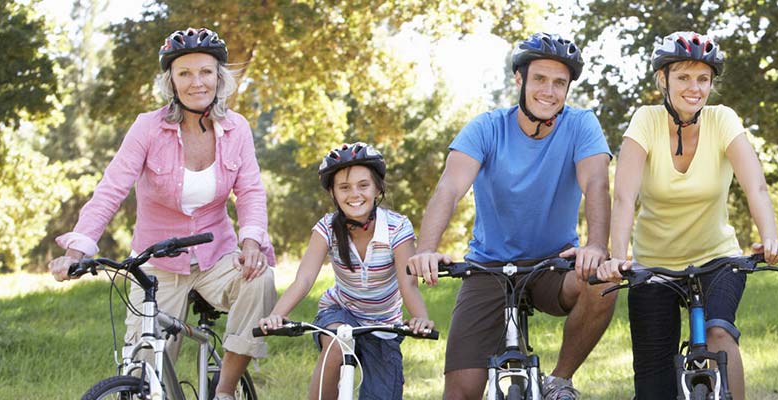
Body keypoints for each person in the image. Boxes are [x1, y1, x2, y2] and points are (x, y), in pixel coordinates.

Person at [48, 27, 276, 400]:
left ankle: (225, 389)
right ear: (170, 80)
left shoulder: (237, 129)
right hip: (157, 263)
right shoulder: (148, 128)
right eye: (184, 73)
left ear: (220, 77)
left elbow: (250, 191)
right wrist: (77, 251)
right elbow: (112, 189)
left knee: (259, 278)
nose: (196, 82)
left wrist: (251, 242)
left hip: (216, 255)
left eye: (205, 72)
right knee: (146, 368)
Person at [406, 32, 615, 400]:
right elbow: (450, 187)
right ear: (519, 80)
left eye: (559, 83)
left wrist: (596, 245)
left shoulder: (581, 124)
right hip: (489, 264)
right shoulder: (486, 127)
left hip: (553, 263)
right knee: (461, 392)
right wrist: (426, 248)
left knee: (602, 280)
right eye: (539, 79)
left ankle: (559, 380)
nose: (549, 91)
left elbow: (596, 183)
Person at [594, 31, 778, 400]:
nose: (694, 88)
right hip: (653, 265)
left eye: (703, 79)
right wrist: (618, 257)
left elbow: (756, 187)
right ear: (662, 80)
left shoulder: (722, 120)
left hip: (717, 258)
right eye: (683, 77)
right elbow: (624, 196)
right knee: (654, 387)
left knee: (719, 333)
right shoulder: (645, 120)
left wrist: (771, 238)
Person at [258, 143, 434, 399]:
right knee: (337, 341)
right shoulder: (327, 228)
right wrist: (276, 315)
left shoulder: (397, 227)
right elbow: (305, 278)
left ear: (377, 188)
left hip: (385, 325)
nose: (355, 194)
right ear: (333, 193)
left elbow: (408, 284)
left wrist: (420, 317)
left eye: (363, 185)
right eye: (344, 187)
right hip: (341, 310)